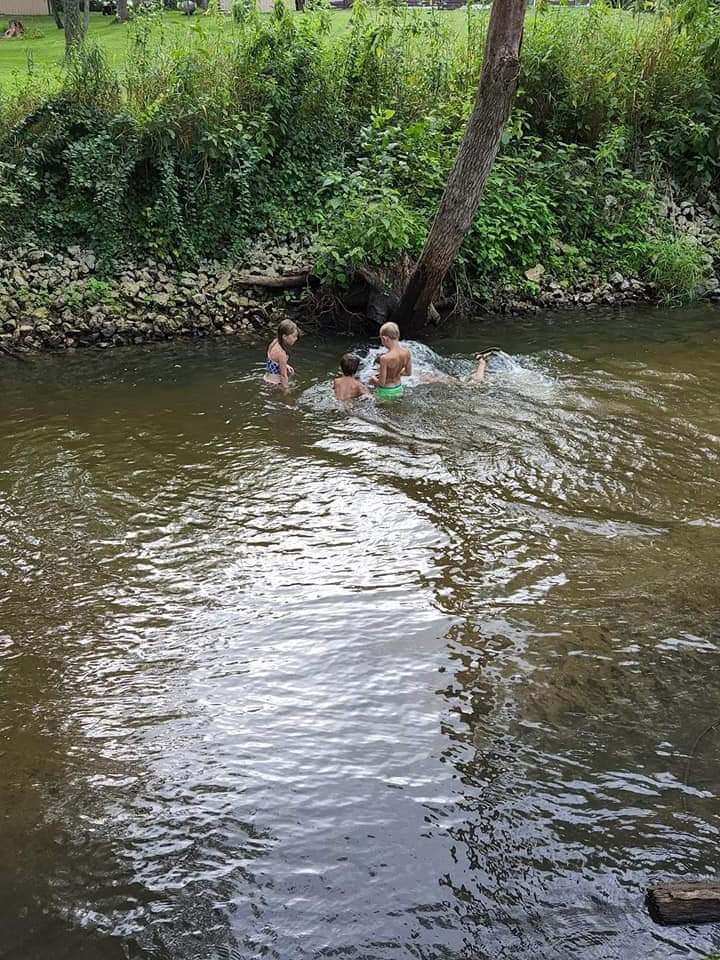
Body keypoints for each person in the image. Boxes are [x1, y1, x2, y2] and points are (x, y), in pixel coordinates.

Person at [369, 322, 412, 400]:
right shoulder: (407, 352)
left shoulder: (384, 358)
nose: (382, 342)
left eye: (381, 340)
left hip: (386, 391)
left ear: (385, 339)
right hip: (399, 389)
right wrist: (396, 372)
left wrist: (373, 378)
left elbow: (381, 383)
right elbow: (408, 373)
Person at [264, 319, 298, 389]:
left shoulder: (275, 342)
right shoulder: (281, 354)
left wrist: (285, 365)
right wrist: (286, 391)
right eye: (294, 336)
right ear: (284, 337)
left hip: (267, 379)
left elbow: (269, 355)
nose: (296, 339)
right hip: (275, 385)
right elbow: (283, 376)